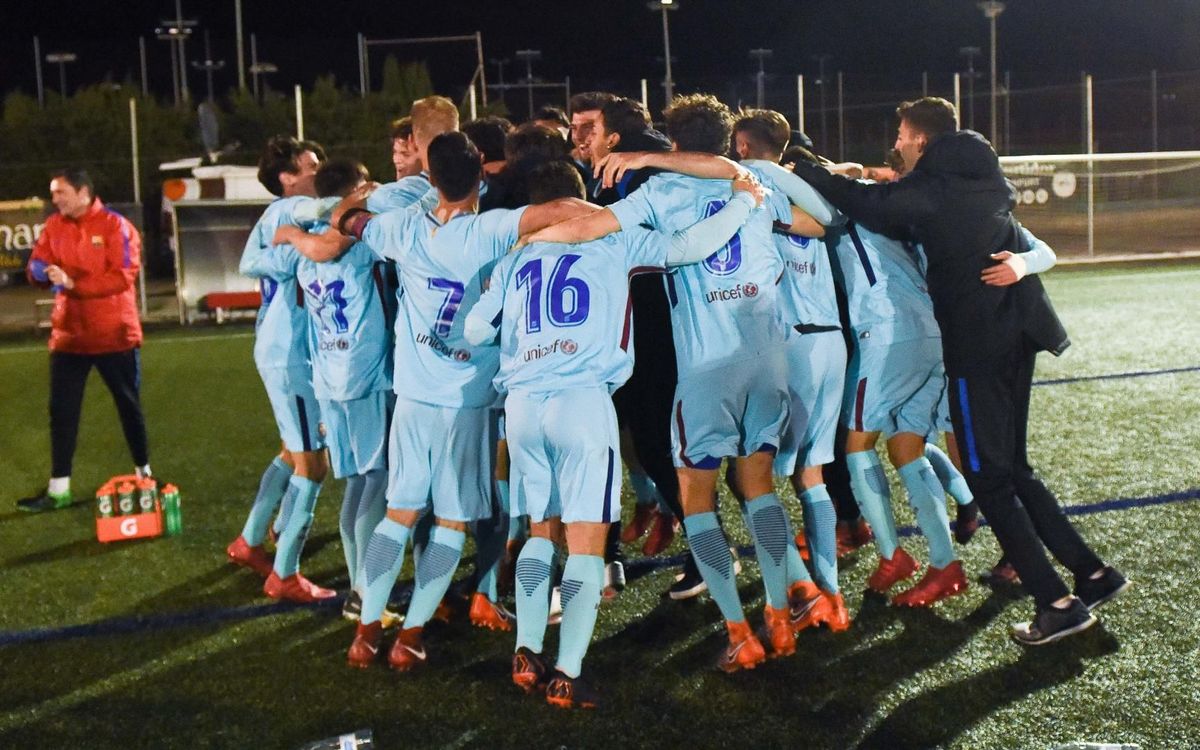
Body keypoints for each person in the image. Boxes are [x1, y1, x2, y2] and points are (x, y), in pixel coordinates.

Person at [789, 96, 1129, 645]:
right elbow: (1023, 242)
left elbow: (871, 205)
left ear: (921, 139)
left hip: (978, 345)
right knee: (1014, 468)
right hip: (1019, 334)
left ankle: (1056, 602)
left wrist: (808, 170)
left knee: (987, 476)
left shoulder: (934, 189)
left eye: (901, 134)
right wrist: (1022, 262)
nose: (896, 143)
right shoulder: (981, 180)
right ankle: (1091, 572)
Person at [526, 93, 824, 670]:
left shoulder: (661, 191)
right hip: (770, 355)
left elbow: (599, 225)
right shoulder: (754, 185)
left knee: (697, 499)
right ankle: (786, 614)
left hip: (708, 362)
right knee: (759, 486)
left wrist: (531, 241)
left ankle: (739, 630)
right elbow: (819, 223)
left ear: (672, 140)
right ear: (726, 140)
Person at [282, 132, 595, 671]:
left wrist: (366, 201)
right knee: (452, 522)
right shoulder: (489, 229)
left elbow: (347, 222)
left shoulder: (401, 229)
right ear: (479, 175)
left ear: (431, 177)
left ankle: (365, 632)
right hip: (468, 398)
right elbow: (561, 211)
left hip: (412, 394)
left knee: (398, 514)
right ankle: (410, 636)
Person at [464, 165, 765, 708]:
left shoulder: (515, 256)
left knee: (540, 531)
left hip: (523, 405)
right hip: (581, 398)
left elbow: (473, 331)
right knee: (583, 540)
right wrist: (744, 202)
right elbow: (688, 247)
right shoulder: (614, 237)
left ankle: (527, 648)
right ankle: (569, 672)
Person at [228, 135, 334, 604]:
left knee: (294, 452)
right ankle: (286, 572)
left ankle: (250, 541)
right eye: (312, 164)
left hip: (285, 346)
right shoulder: (290, 209)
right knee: (314, 463)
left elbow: (254, 261)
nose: (320, 168)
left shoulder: (284, 213)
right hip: (292, 352)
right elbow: (255, 260)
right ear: (288, 177)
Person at [19, 168, 151, 512]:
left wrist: (74, 283)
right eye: (53, 193)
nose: (55, 199)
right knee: (61, 412)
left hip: (114, 334)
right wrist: (42, 273)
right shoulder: (54, 226)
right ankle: (58, 488)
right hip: (69, 337)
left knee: (128, 405)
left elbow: (123, 277)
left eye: (60, 192)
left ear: (83, 192)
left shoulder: (116, 226)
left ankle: (145, 474)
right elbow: (35, 263)